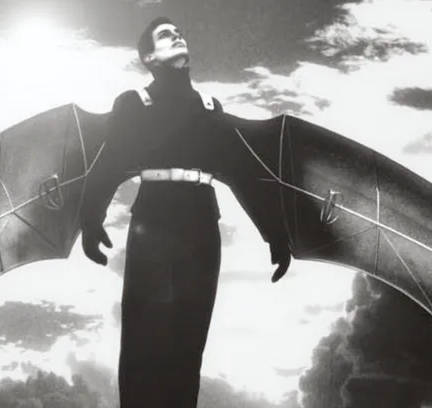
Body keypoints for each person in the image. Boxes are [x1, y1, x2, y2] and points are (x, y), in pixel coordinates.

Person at [78, 17, 292, 408]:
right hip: (153, 226)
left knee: (188, 348)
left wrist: (274, 233)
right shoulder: (133, 103)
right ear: (148, 57)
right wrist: (90, 220)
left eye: (179, 32)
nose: (177, 35)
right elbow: (108, 164)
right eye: (165, 34)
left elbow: (241, 173)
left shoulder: (211, 109)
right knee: (142, 344)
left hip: (201, 230)